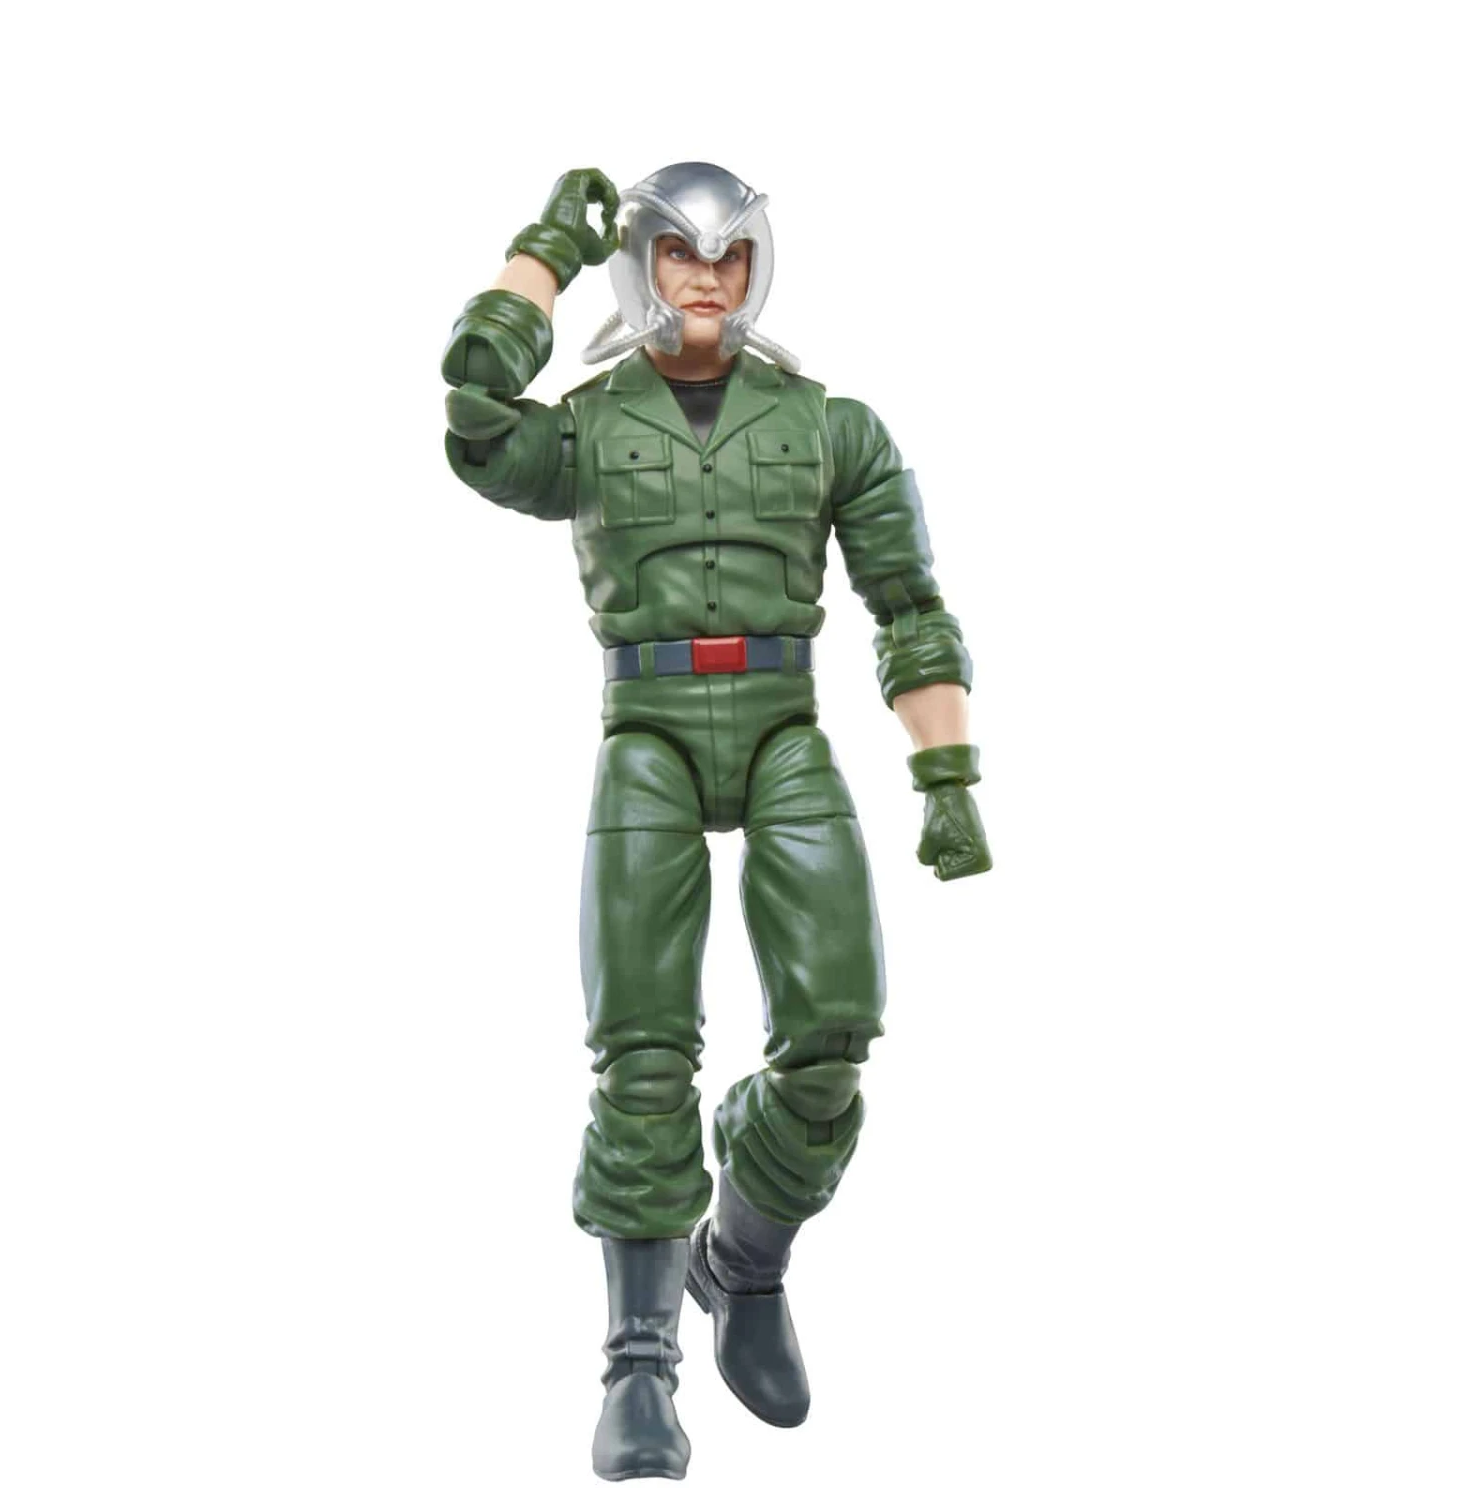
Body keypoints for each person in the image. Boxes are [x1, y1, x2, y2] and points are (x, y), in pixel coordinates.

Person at [441, 162, 992, 1483]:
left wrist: (947, 778)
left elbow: (910, 605)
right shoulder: (588, 426)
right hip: (647, 731)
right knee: (641, 1052)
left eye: (728, 256)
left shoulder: (830, 426)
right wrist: (544, 252)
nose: (705, 278)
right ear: (641, 266)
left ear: (758, 267)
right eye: (678, 254)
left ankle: (742, 1261)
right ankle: (638, 1365)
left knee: (835, 1030)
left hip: (783, 719)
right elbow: (474, 412)